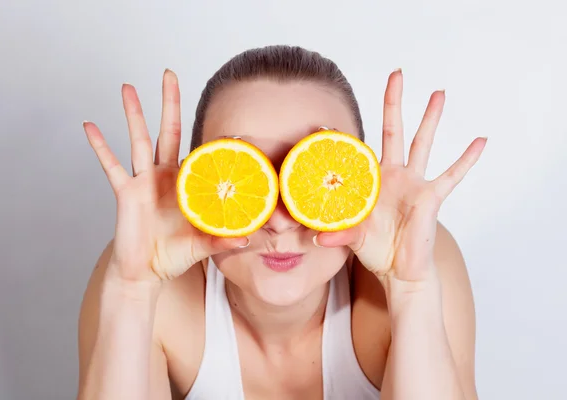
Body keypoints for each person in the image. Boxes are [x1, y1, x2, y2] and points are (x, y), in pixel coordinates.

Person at [77, 45, 486, 400]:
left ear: (362, 188)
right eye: (246, 177)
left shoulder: (414, 257)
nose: (279, 221)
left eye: (311, 175)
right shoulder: (145, 275)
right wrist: (131, 294)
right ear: (197, 188)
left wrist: (411, 292)